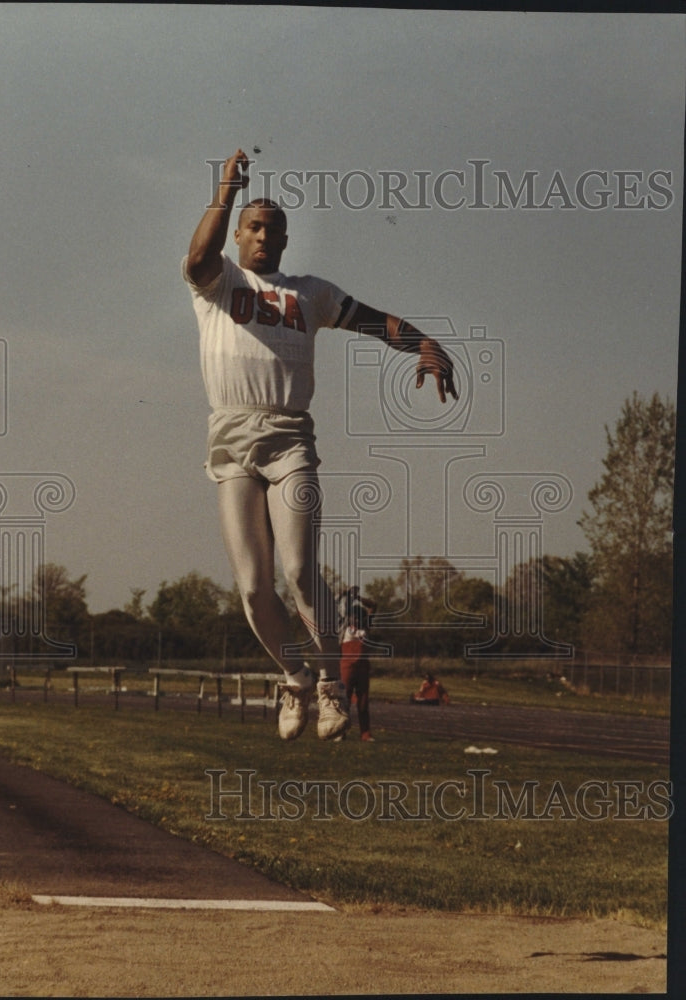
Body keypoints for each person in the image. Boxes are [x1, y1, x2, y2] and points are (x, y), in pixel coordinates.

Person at [182, 149, 458, 742]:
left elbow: (376, 321)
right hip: (231, 441)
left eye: (273, 230)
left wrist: (423, 343)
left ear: (285, 241)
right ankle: (295, 676)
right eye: (253, 227)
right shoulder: (219, 282)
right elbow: (199, 255)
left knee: (301, 568)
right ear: (239, 234)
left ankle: (331, 685)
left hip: (289, 441)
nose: (262, 237)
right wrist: (227, 188)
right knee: (255, 587)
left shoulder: (309, 293)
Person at [337, 586, 377, 742]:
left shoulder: (365, 627)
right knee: (344, 700)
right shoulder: (344, 627)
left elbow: (373, 606)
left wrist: (358, 598)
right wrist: (345, 594)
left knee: (363, 702)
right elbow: (336, 605)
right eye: (354, 616)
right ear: (349, 617)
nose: (357, 619)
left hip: (362, 667)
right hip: (346, 666)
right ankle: (340, 731)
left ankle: (365, 733)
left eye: (359, 616)